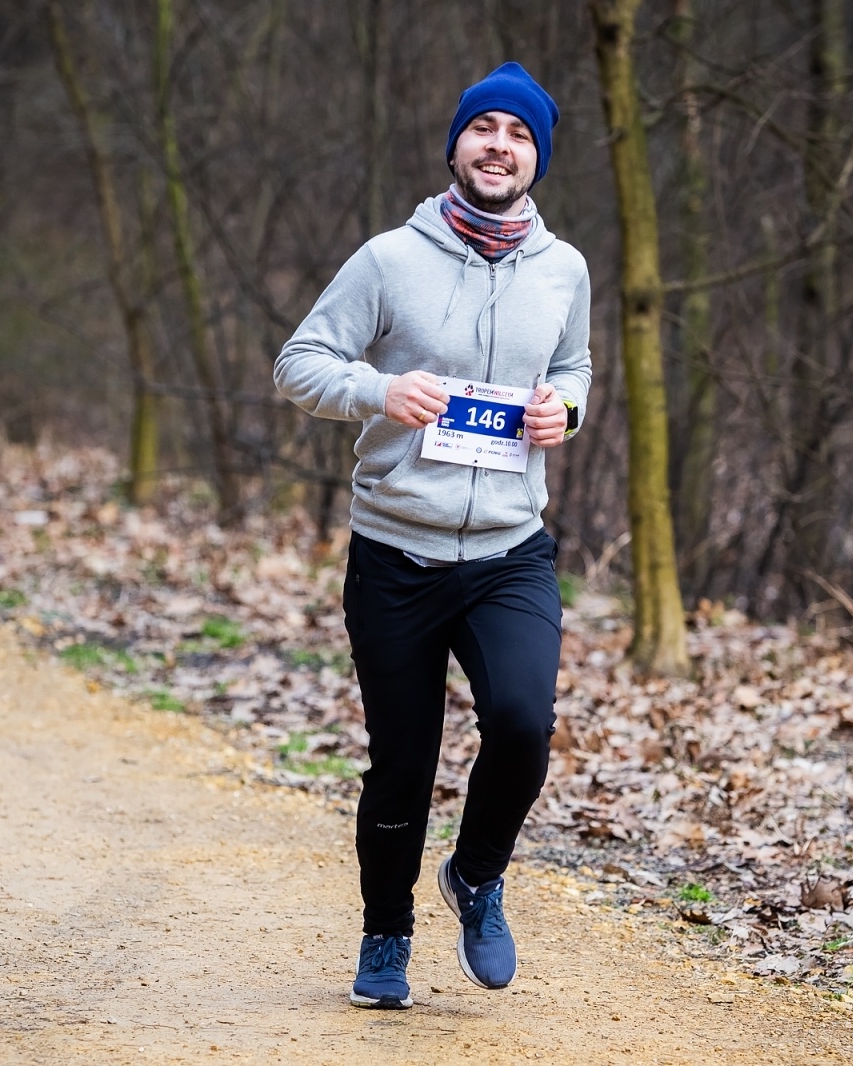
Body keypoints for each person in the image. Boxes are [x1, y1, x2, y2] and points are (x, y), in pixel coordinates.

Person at [274, 62, 591, 1009]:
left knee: (526, 726)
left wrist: (562, 413)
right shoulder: (388, 261)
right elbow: (300, 363)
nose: (500, 145)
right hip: (397, 554)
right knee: (403, 763)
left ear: (537, 156)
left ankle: (477, 876)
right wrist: (380, 391)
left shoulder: (564, 268)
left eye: (520, 134)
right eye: (484, 128)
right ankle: (385, 937)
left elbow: (573, 367)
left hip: (508, 552)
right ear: (455, 145)